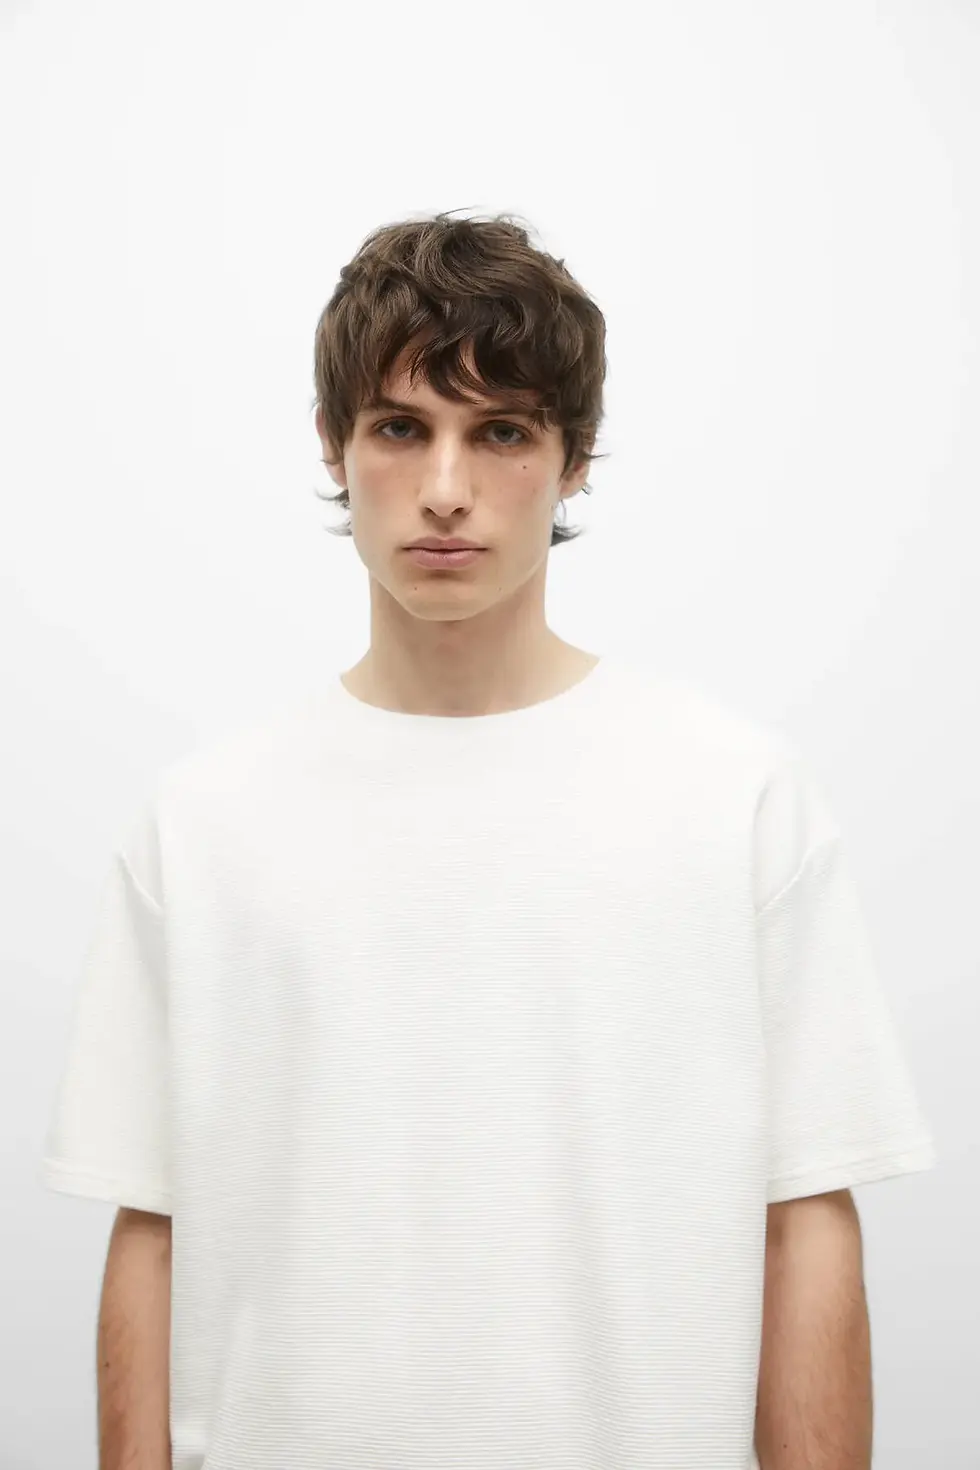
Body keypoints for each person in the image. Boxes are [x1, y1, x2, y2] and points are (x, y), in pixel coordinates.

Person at [41, 211, 937, 1470]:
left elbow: (804, 1219)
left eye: (502, 431)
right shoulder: (201, 822)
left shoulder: (732, 796)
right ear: (333, 442)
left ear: (574, 461)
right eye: (400, 427)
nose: (446, 488)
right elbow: (154, 1229)